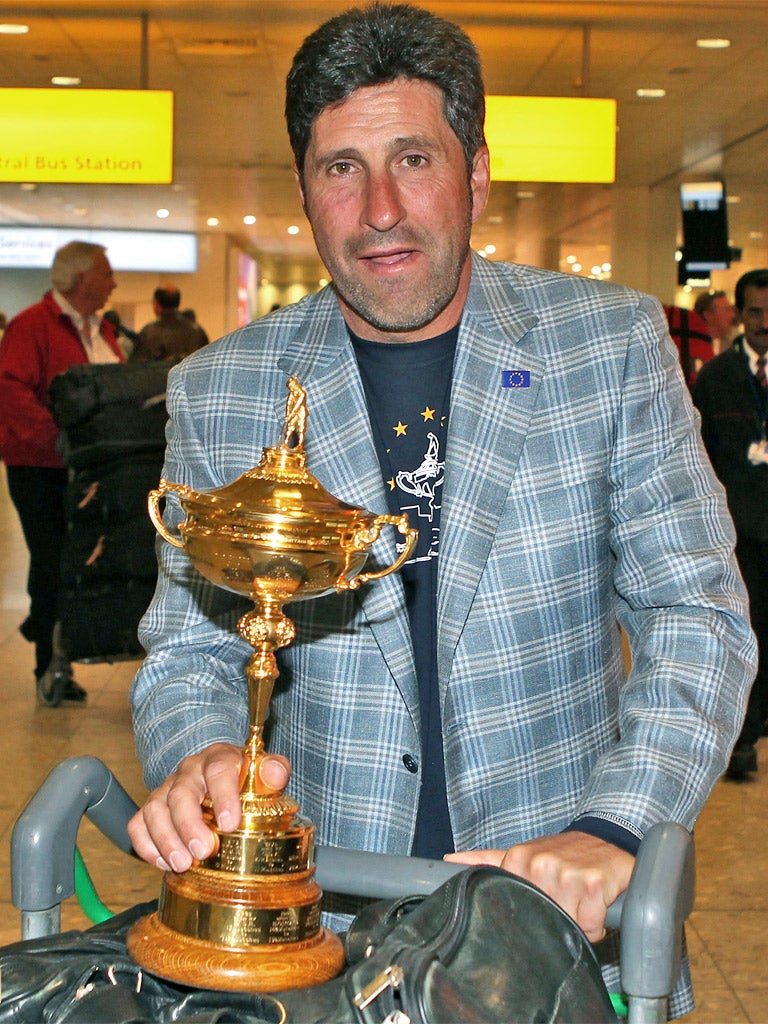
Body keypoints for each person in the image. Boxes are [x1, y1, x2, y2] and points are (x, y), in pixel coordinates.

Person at [128, 4, 755, 1014]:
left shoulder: (610, 347)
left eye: (413, 158)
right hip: (310, 932)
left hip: (556, 920)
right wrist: (202, 756)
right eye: (341, 168)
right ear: (305, 190)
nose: (380, 208)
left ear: (475, 173)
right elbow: (191, 651)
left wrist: (619, 826)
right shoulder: (224, 388)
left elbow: (698, 617)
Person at [0, 240, 123, 703]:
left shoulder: (103, 330)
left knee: (79, 563)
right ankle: (46, 660)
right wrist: (56, 437)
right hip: (42, 468)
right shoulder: (33, 326)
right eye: (106, 274)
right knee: (51, 560)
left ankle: (62, 652)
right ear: (79, 279)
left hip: (92, 469)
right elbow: (9, 391)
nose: (113, 283)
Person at [693, 268, 768, 780]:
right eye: (757, 312)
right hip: (741, 532)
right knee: (747, 635)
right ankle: (742, 741)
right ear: (740, 315)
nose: (765, 323)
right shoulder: (717, 379)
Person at [130, 285, 208, 362]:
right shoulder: (197, 331)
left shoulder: (149, 332)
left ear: (157, 304)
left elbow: (138, 365)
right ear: (178, 303)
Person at [694, 288, 738, 353]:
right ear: (708, 315)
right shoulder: (694, 346)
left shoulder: (734, 345)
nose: (733, 315)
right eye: (727, 310)